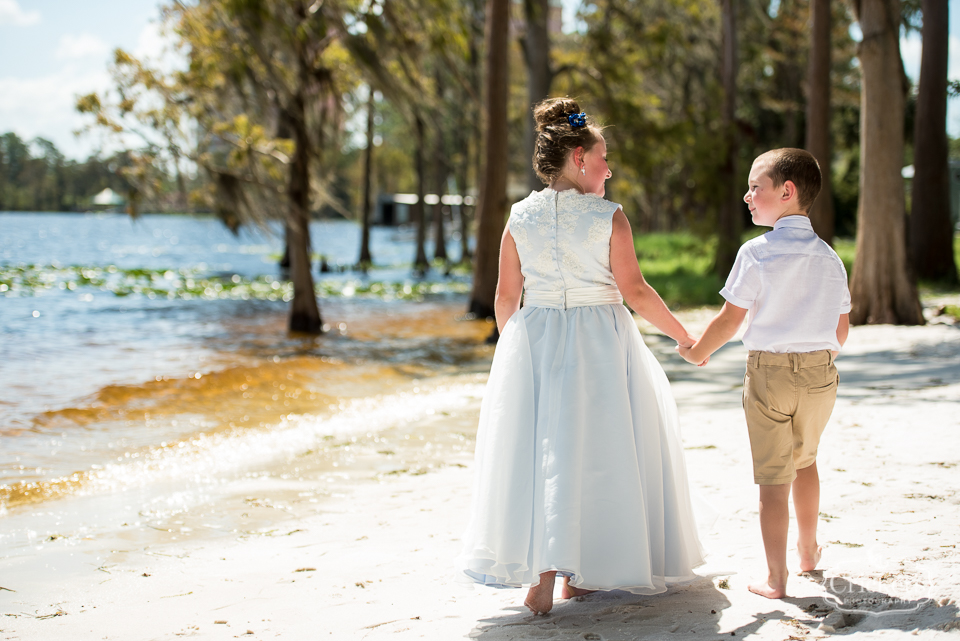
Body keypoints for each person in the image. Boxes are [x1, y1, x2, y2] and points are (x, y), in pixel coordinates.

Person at [457, 98, 705, 616]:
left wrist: (516, 353)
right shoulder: (609, 218)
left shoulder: (518, 216)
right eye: (603, 157)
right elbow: (634, 291)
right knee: (597, 452)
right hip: (600, 342)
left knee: (547, 452)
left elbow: (506, 297)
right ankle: (578, 572)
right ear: (577, 158)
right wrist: (685, 338)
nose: (609, 168)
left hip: (538, 338)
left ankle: (547, 578)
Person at [677, 148, 851, 599]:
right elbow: (841, 329)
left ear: (787, 192)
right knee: (806, 460)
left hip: (770, 375)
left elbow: (730, 320)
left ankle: (777, 578)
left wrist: (698, 352)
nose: (747, 196)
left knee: (773, 479)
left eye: (757, 187)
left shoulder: (756, 253)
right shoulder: (831, 258)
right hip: (820, 374)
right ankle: (808, 551)